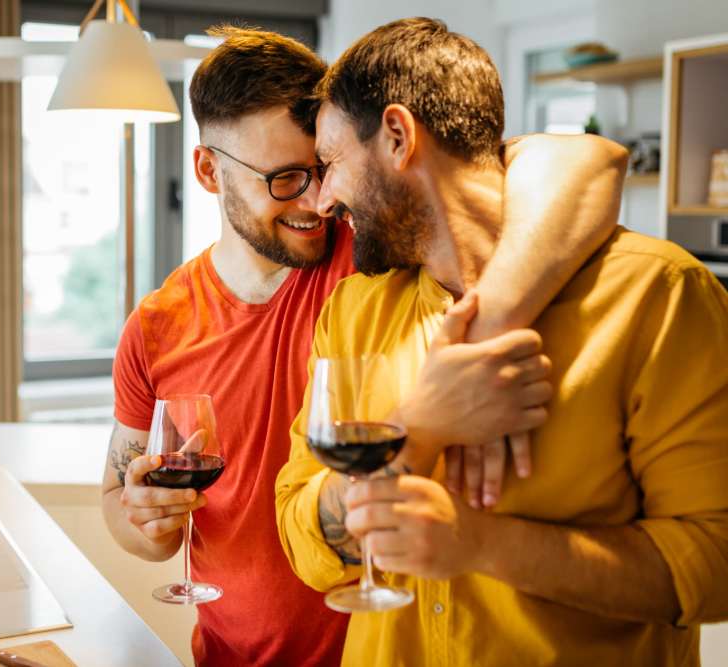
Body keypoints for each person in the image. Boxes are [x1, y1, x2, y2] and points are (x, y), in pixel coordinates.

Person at [104, 26, 629, 667]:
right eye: (286, 178)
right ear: (209, 170)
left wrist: (492, 321)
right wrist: (146, 523)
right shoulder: (156, 326)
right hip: (226, 655)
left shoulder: (374, 255)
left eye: (323, 169)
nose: (318, 201)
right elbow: (117, 498)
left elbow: (585, 161)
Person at [276, 17, 728, 666]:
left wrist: (484, 543)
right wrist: (417, 430)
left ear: (399, 136)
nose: (321, 201)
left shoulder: (661, 296)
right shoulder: (352, 310)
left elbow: (713, 565)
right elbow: (302, 543)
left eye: (328, 164)